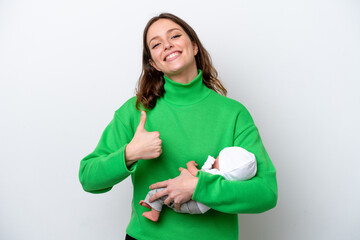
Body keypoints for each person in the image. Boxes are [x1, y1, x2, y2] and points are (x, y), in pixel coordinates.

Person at [79, 12, 278, 240]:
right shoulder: (136, 111)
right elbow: (88, 178)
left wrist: (199, 187)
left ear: (194, 46)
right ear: (153, 63)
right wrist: (130, 153)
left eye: (174, 36)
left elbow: (266, 193)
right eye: (156, 44)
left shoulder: (234, 113)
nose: (167, 45)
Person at [139, 146, 257, 222]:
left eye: (218, 158)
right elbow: (203, 173)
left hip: (193, 205)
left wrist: (190, 164)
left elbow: (196, 174)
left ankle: (154, 213)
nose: (216, 157)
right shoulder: (222, 179)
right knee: (165, 196)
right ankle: (152, 205)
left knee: (160, 193)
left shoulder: (215, 175)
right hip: (198, 207)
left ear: (224, 166)